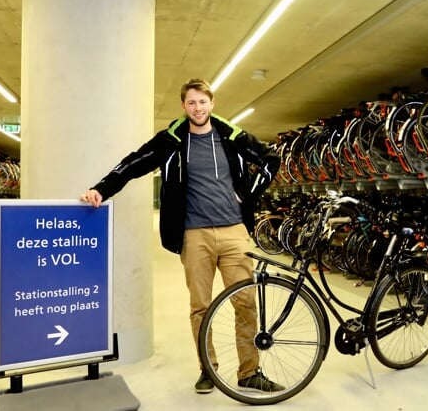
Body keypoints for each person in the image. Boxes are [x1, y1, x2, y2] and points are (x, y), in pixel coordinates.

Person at [79, 78, 283, 394]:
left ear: (212, 104)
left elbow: (270, 159)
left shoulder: (232, 136)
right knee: (201, 306)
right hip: (194, 235)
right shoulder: (171, 140)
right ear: (184, 106)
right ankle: (208, 370)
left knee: (245, 302)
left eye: (203, 102)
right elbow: (133, 164)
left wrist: (248, 192)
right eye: (191, 102)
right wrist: (101, 189)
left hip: (234, 232)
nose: (197, 108)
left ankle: (249, 372)